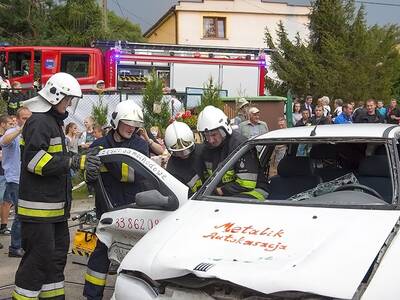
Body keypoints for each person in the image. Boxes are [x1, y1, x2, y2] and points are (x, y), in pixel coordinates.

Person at [13, 72, 101, 300]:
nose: (70, 104)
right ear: (55, 97)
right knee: (37, 262)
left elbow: (55, 157)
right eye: (68, 99)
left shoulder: (52, 122)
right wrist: (71, 161)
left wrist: (79, 156)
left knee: (55, 260)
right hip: (38, 209)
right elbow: (33, 161)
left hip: (54, 210)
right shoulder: (40, 122)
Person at [83, 100, 149, 300]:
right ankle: (92, 295)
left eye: (135, 124)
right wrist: (90, 171)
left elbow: (130, 175)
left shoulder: (140, 145)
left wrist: (105, 157)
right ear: (116, 122)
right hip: (107, 210)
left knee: (135, 256)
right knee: (101, 253)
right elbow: (89, 181)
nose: (131, 127)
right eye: (127, 123)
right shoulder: (98, 144)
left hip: (132, 210)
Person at [197, 106, 267, 200]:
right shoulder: (206, 149)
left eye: (214, 135)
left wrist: (219, 191)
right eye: (206, 136)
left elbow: (247, 184)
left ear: (224, 130)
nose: (211, 140)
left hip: (254, 191)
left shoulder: (239, 145)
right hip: (225, 194)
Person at [0, 107, 32, 257]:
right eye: (24, 118)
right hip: (14, 179)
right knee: (20, 213)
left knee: (28, 212)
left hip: (28, 178)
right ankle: (15, 247)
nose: (27, 121)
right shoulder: (11, 132)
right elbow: (4, 141)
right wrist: (19, 131)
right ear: (18, 120)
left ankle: (24, 244)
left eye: (29, 118)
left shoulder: (31, 133)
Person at [165, 121, 205, 196]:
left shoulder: (203, 151)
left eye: (187, 149)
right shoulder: (172, 169)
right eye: (178, 152)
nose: (183, 154)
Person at [0, 115, 13, 240]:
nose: (12, 126)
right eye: (9, 123)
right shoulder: (3, 139)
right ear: (2, 124)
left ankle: (3, 225)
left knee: (7, 202)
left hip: (7, 173)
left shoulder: (12, 138)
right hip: (1, 173)